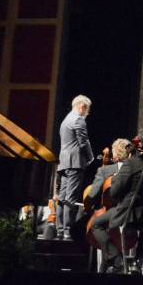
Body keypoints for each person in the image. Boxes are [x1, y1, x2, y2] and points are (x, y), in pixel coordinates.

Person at [88, 128, 143, 272]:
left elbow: (115, 192)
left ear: (139, 144)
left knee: (95, 224)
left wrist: (116, 179)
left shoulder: (133, 163)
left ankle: (115, 258)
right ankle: (137, 260)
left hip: (129, 213)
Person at [57, 95, 94, 240]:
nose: (88, 113)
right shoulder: (78, 120)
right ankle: (68, 231)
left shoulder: (65, 120)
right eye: (87, 109)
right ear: (82, 107)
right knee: (70, 198)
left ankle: (60, 229)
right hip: (75, 162)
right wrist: (90, 157)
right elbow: (83, 142)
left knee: (62, 197)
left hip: (64, 162)